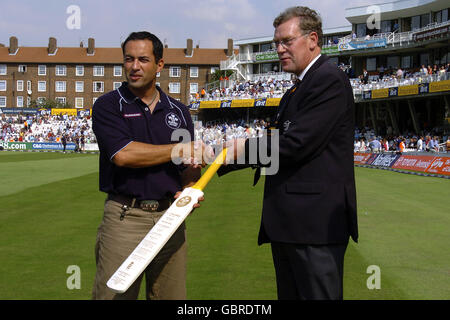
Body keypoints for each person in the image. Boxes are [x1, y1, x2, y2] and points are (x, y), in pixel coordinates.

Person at [219, 6, 358, 300]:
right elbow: (275, 142)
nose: (279, 49)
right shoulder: (297, 89)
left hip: (314, 227)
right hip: (291, 225)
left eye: (286, 41)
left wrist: (239, 149)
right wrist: (220, 159)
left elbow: (295, 145)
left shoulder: (328, 80)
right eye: (276, 43)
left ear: (312, 39)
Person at [91, 31, 210, 300]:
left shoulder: (178, 112)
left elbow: (187, 168)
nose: (134, 66)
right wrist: (178, 149)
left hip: (170, 219)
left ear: (159, 65)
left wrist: (189, 189)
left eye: (143, 59)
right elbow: (123, 155)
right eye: (129, 59)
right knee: (113, 296)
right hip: (125, 217)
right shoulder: (108, 105)